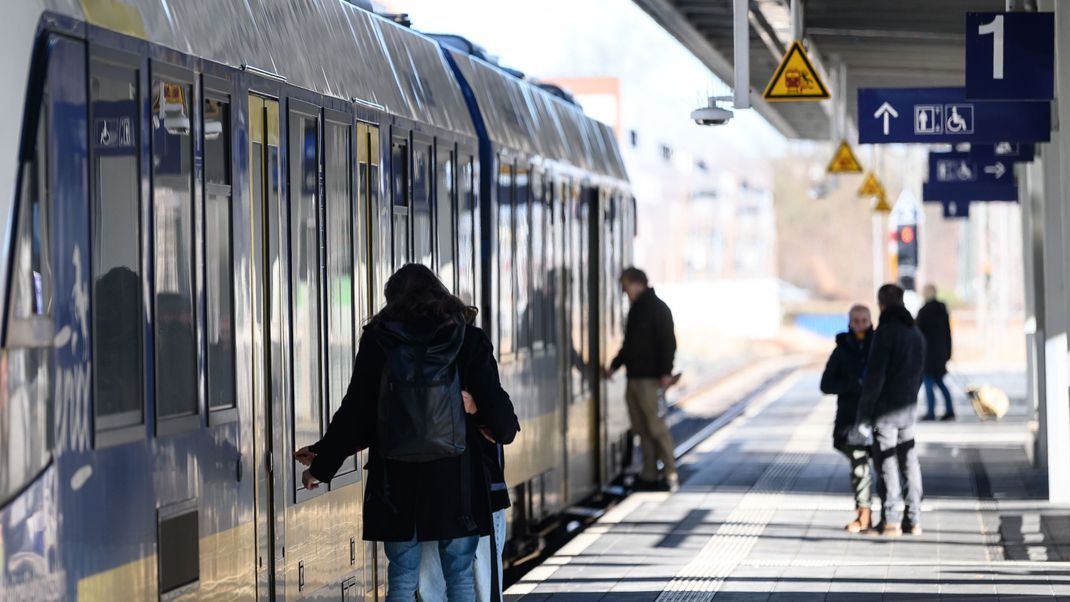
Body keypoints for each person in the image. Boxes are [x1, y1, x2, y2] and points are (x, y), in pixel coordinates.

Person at [295, 264, 519, 601]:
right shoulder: (468, 338)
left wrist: (321, 465)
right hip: (457, 483)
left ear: (392, 302)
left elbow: (356, 412)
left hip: (395, 484)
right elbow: (502, 423)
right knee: (459, 575)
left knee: (400, 577)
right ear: (440, 294)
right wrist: (478, 413)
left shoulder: (378, 340)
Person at [419, 391, 510, 602]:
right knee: (480, 588)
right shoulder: (474, 358)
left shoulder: (398, 358)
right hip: (479, 496)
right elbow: (504, 427)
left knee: (430, 591)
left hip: (422, 494)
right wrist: (477, 411)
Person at [850, 284, 926, 537]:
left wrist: (863, 415)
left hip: (886, 410)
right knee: (909, 461)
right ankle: (913, 520)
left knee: (887, 462)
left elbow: (875, 377)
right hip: (908, 408)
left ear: (881, 304)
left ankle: (891, 520)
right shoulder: (915, 332)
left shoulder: (886, 333)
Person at [605, 267, 679, 492]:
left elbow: (669, 343)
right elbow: (629, 346)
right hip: (634, 379)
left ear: (637, 283)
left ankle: (670, 475)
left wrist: (666, 373)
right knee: (642, 430)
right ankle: (649, 475)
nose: (624, 291)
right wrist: (615, 365)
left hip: (652, 380)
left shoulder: (658, 309)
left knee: (657, 428)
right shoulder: (636, 310)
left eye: (626, 286)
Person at [820, 304, 875, 533]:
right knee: (860, 466)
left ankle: (883, 515)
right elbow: (826, 384)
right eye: (856, 321)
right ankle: (864, 513)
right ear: (850, 323)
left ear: (871, 321)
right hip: (851, 419)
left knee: (881, 467)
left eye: (864, 321)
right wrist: (853, 386)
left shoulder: (879, 345)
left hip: (877, 416)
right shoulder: (842, 349)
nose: (860, 325)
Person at [916, 284, 955, 421]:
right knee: (940, 382)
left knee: (928, 383)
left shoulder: (924, 311)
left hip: (927, 355)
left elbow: (917, 334)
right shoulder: (942, 310)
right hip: (941, 354)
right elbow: (948, 333)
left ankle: (931, 412)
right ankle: (949, 410)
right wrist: (948, 353)